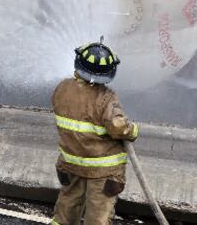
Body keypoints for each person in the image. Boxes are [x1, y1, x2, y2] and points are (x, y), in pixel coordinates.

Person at [51, 40, 139, 225]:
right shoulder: (106, 98)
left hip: (71, 164)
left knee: (66, 209)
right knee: (97, 215)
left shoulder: (62, 89)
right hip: (102, 172)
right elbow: (117, 127)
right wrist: (132, 130)